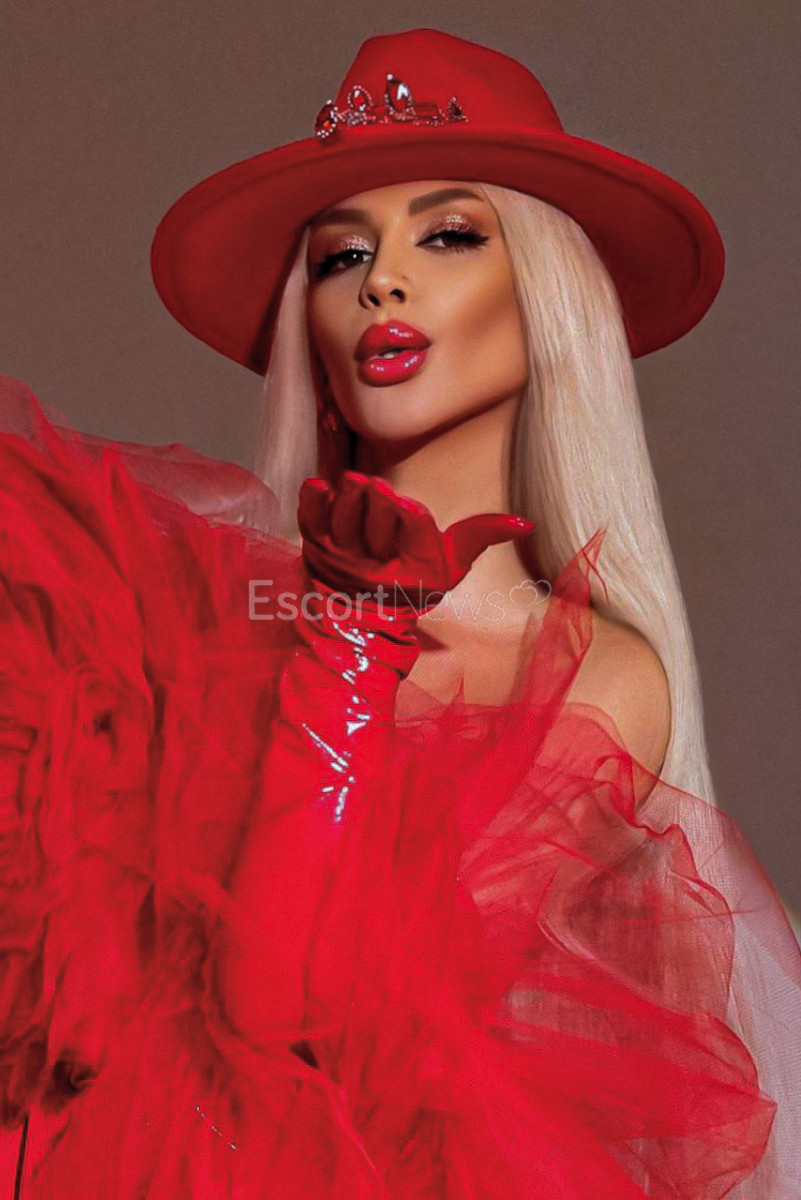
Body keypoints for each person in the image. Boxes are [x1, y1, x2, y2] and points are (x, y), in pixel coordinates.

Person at [0, 25, 799, 1200]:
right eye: (342, 255)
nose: (382, 280)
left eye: (451, 235)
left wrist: (353, 644)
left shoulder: (596, 676)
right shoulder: (175, 607)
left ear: (548, 298)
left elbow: (293, 1014)